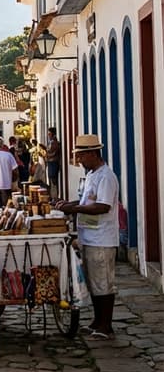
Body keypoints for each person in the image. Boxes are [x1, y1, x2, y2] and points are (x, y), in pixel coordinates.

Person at [56, 134, 119, 340]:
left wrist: (74, 209)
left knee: (103, 283)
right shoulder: (92, 174)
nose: (79, 160)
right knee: (93, 283)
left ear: (93, 153)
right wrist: (69, 204)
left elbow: (102, 206)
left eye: (82, 156)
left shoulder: (106, 177)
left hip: (102, 238)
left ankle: (106, 325)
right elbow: (85, 200)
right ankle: (96, 321)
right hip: (88, 236)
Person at [46, 128, 61, 198]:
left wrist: (46, 153)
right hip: (51, 163)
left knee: (53, 181)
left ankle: (54, 197)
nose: (48, 135)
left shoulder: (54, 142)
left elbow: (52, 152)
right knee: (51, 181)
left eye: (49, 134)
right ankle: (53, 196)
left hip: (53, 163)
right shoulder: (51, 142)